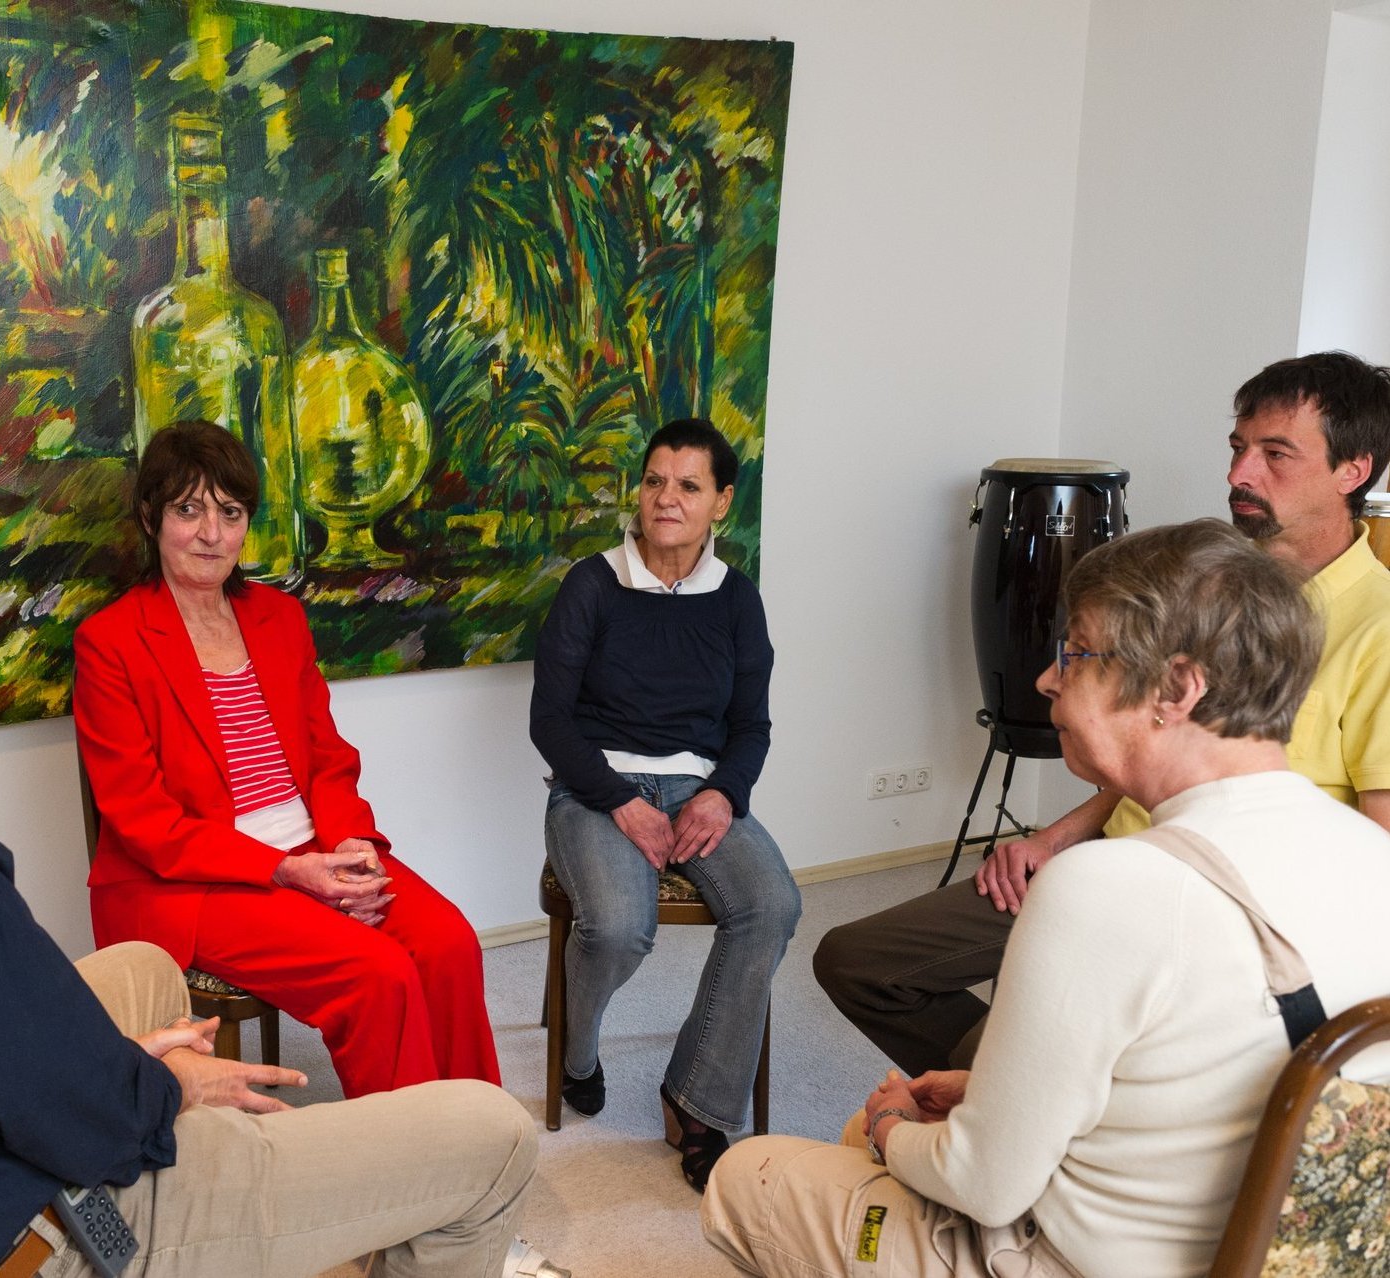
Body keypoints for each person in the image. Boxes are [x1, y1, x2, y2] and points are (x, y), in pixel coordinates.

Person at [0, 403, 561, 1278]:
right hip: (33, 1227)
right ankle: (429, 1197)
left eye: (230, 511)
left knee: (365, 951)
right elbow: (88, 1115)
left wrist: (340, 851)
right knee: (492, 1139)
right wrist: (169, 1085)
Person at [704, 518, 1390, 1278]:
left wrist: (892, 1127)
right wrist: (986, 1092)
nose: (1047, 678)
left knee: (754, 1173)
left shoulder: (1111, 886)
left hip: (1066, 1262)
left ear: (1175, 688)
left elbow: (983, 1185)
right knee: (866, 1141)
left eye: (1079, 652)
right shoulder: (1372, 856)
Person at [815, 350, 1390, 1076]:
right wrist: (1055, 838)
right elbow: (1156, 751)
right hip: (1110, 859)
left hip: (1210, 915)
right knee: (859, 960)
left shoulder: (1380, 632)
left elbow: (1373, 864)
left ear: (1353, 470)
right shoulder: (1216, 590)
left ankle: (1036, 1099)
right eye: (1239, 448)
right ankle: (1024, 1089)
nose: (1239, 475)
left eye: (1276, 454)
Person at [72, 421, 498, 1100]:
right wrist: (289, 871)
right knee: (377, 972)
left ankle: (478, 1137)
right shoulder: (110, 642)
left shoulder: (278, 617)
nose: (212, 533)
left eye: (231, 512)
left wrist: (352, 845)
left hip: (314, 845)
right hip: (195, 882)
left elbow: (327, 757)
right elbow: (143, 821)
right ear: (151, 517)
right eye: (189, 510)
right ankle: (415, 1162)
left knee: (449, 944)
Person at [529, 417, 801, 1191]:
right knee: (617, 927)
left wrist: (722, 794)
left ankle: (698, 1101)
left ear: (721, 502)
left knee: (772, 906)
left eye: (688, 485)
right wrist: (619, 800)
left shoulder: (735, 599)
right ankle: (578, 1055)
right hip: (594, 785)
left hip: (698, 789)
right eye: (654, 481)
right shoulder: (593, 584)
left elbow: (751, 726)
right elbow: (549, 721)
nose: (666, 498)